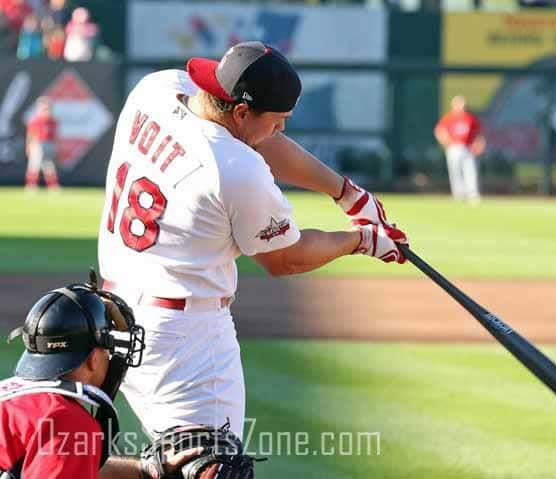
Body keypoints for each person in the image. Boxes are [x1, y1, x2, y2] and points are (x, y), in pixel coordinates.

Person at [97, 40, 408, 449]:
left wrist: (348, 194)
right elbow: (287, 260)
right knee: (211, 467)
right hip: (181, 340)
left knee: (87, 457)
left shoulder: (155, 90)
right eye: (278, 121)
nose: (281, 130)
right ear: (241, 112)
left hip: (106, 315)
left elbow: (254, 138)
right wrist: (363, 240)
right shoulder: (234, 169)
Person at [0, 280, 210, 479]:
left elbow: (64, 465)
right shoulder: (66, 420)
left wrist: (146, 469)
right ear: (93, 358)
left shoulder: (13, 403)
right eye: (108, 350)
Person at [434, 95, 486, 202]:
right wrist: (446, 142)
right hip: (454, 147)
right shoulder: (449, 117)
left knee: (470, 171)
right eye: (458, 104)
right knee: (455, 172)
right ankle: (458, 194)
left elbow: (479, 133)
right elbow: (439, 131)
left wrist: (479, 144)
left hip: (468, 147)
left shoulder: (470, 118)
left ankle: (472, 194)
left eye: (462, 104)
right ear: (453, 106)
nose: (461, 107)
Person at [25, 96, 60, 190]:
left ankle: (53, 187)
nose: (46, 109)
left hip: (49, 144)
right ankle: (31, 186)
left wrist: (56, 146)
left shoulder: (53, 121)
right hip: (38, 144)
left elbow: (55, 135)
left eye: (47, 107)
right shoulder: (35, 120)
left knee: (48, 165)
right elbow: (30, 135)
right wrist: (29, 146)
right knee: (34, 165)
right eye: (43, 107)